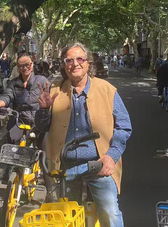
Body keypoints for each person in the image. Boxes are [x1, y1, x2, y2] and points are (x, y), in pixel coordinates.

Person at [35, 43, 132, 227]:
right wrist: (44, 110)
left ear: (88, 64)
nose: (75, 64)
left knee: (110, 214)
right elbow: (42, 127)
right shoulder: (54, 90)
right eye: (69, 60)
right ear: (64, 65)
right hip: (65, 165)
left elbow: (124, 127)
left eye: (80, 59)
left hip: (99, 165)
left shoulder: (107, 90)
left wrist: (111, 157)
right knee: (67, 220)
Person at [0, 51, 49, 182]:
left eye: (27, 65)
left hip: (38, 123)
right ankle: (10, 169)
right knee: (11, 142)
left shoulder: (41, 81)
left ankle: (49, 189)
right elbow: (6, 96)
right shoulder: (13, 83)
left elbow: (49, 99)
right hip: (21, 121)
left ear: (32, 65)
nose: (25, 68)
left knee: (45, 154)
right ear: (17, 68)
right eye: (21, 66)